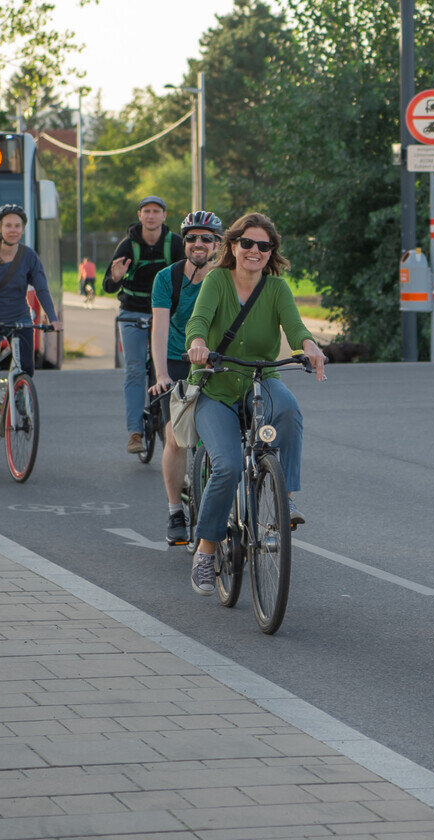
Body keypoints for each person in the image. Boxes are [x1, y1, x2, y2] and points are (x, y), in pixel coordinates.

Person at [182, 212, 328, 596]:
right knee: (228, 466)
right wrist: (197, 345)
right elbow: (197, 321)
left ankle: (287, 495)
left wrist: (310, 348)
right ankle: (206, 550)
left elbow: (296, 328)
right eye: (247, 243)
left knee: (290, 409)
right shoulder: (216, 280)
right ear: (233, 246)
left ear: (271, 252)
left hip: (260, 379)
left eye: (264, 246)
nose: (255, 251)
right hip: (215, 388)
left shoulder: (276, 288)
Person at [0, 203, 63, 464]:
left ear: (23, 229)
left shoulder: (29, 256)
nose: (13, 230)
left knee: (26, 368)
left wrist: (53, 319)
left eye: (17, 225)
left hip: (19, 318)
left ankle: (20, 393)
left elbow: (41, 289)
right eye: (8, 225)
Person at [149, 210, 223, 543]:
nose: (198, 244)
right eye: (191, 238)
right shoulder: (167, 278)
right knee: (176, 436)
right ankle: (175, 510)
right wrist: (161, 373)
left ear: (218, 245)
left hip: (217, 359)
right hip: (176, 360)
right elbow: (160, 327)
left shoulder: (226, 278)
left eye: (206, 238)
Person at [103, 196, 182, 455]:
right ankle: (134, 432)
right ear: (139, 215)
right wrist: (115, 278)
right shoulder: (128, 245)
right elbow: (108, 285)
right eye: (146, 211)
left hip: (167, 313)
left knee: (171, 367)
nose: (151, 215)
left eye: (156, 211)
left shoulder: (175, 245)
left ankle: (175, 424)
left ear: (164, 215)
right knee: (135, 369)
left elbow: (190, 276)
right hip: (133, 313)